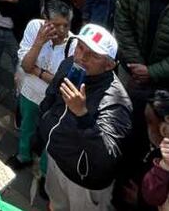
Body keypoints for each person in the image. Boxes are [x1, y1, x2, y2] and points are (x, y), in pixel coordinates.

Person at [37, 24, 132, 211]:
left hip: (84, 183)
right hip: (56, 160)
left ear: (109, 64)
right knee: (55, 205)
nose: (82, 56)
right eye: (80, 47)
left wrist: (82, 115)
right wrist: (40, 134)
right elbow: (50, 99)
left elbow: (106, 157)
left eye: (94, 55)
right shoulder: (69, 65)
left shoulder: (116, 103)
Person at [12, 1, 73, 169]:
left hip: (54, 103)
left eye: (65, 25)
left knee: (50, 138)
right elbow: (25, 65)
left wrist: (37, 71)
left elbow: (61, 83)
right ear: (44, 20)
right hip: (30, 93)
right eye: (55, 25)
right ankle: (23, 156)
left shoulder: (74, 45)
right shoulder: (33, 28)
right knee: (27, 127)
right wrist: (39, 42)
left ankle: (45, 173)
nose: (61, 31)